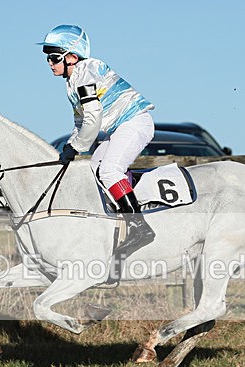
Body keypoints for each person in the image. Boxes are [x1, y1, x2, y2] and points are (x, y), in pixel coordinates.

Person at [38, 24, 156, 256]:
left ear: (71, 57)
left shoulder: (86, 71)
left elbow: (93, 117)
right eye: (47, 59)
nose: (50, 64)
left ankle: (139, 227)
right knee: (93, 171)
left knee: (110, 170)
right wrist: (69, 147)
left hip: (134, 123)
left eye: (53, 58)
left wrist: (77, 147)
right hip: (117, 129)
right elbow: (81, 124)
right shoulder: (72, 82)